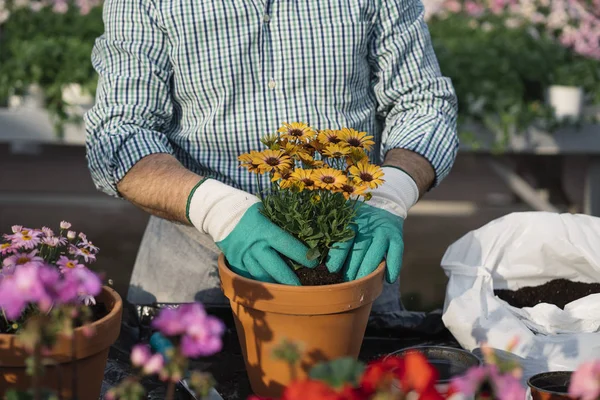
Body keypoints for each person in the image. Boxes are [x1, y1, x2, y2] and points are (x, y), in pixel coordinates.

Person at [84, 0, 459, 326]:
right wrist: (218, 210)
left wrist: (389, 193)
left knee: (355, 381)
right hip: (195, 252)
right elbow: (120, 130)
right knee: (180, 385)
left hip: (350, 243)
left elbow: (421, 100)